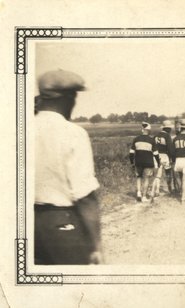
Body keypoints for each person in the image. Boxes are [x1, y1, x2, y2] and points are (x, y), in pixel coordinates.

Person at [34, 69, 102, 265]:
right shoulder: (73, 133)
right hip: (61, 223)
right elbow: (85, 196)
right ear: (68, 99)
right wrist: (97, 245)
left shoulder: (21, 129)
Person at [129, 122, 160, 202]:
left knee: (138, 177)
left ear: (142, 130)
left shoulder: (136, 139)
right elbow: (156, 154)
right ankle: (144, 196)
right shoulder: (151, 140)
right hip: (148, 163)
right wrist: (158, 162)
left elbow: (131, 153)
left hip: (138, 162)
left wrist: (132, 162)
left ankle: (139, 193)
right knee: (146, 179)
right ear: (149, 131)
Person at [152, 120, 174, 197]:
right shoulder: (167, 136)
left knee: (158, 174)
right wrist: (172, 158)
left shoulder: (156, 135)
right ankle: (170, 188)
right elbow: (170, 148)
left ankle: (157, 190)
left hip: (156, 156)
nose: (171, 130)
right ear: (168, 129)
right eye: (170, 128)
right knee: (168, 172)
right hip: (165, 156)